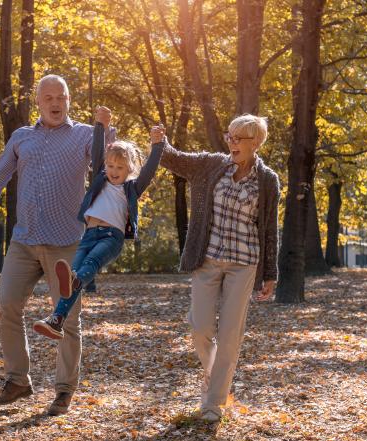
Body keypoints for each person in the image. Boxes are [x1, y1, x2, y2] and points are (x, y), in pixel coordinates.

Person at [0, 75, 116, 416]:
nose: (55, 103)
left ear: (69, 101)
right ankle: (18, 381)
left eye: (61, 97)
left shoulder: (85, 135)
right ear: (38, 103)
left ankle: (64, 389)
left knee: (68, 318)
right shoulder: (21, 138)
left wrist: (104, 128)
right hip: (24, 241)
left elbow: (105, 163)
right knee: (8, 304)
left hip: (67, 244)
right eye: (48, 98)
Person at [153, 114, 280, 422]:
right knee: (200, 328)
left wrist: (270, 273)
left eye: (238, 139)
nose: (231, 143)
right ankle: (214, 377)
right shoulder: (211, 165)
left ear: (255, 143)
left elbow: (269, 229)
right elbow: (175, 159)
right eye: (229, 136)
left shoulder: (267, 181)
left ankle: (213, 403)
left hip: (244, 263)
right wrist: (160, 142)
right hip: (207, 259)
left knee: (230, 335)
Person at [33, 122, 165, 339]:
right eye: (110, 166)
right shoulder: (100, 181)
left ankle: (72, 289)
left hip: (111, 237)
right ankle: (56, 321)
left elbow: (149, 171)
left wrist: (157, 145)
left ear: (129, 169)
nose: (114, 171)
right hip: (88, 235)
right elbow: (96, 151)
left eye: (120, 167)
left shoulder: (131, 188)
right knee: (70, 282)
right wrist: (100, 126)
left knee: (90, 264)